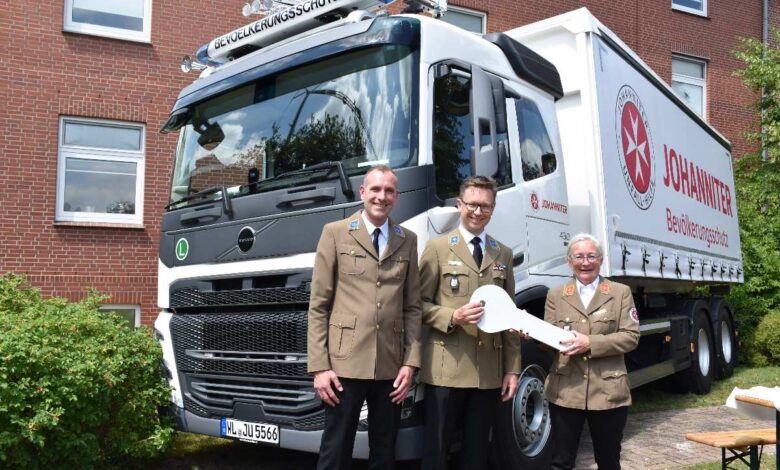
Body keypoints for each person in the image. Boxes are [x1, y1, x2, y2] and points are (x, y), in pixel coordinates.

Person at [307, 165, 422, 470]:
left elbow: (412, 306)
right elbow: (319, 304)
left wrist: (411, 363)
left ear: (396, 197)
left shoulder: (407, 239)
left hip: (390, 366)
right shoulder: (335, 233)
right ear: (363, 193)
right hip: (344, 364)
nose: (381, 197)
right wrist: (320, 367)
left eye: (388, 191)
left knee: (385, 453)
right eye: (375, 189)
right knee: (336, 450)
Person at [418, 176, 521, 470]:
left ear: (493, 208)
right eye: (472, 205)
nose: (478, 212)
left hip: (487, 371)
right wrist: (452, 316)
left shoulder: (502, 254)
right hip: (446, 370)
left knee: (476, 453)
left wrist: (512, 369)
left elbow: (510, 316)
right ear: (459, 205)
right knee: (436, 450)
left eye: (485, 206)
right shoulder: (436, 249)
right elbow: (417, 306)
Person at [544, 233, 640, 470]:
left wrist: (590, 343)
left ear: (600, 260)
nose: (585, 262)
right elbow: (549, 339)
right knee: (560, 462)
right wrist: (530, 332)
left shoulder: (620, 293)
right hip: (566, 390)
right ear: (569, 261)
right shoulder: (555, 295)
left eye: (591, 256)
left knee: (609, 462)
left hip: (608, 391)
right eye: (578, 256)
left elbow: (631, 337)